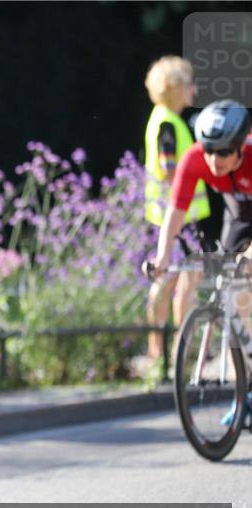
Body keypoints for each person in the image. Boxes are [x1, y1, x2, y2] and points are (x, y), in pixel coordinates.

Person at [150, 99, 252, 424]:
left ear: (240, 147)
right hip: (239, 215)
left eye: (223, 152)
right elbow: (175, 211)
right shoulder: (195, 159)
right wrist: (162, 257)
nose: (213, 160)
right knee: (236, 295)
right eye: (208, 149)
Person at [142, 57, 215, 375]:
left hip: (169, 216)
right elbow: (172, 173)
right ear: (173, 89)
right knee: (183, 283)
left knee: (169, 282)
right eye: (188, 84)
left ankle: (162, 353)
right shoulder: (169, 124)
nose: (193, 90)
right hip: (180, 220)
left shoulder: (163, 119)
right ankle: (172, 355)